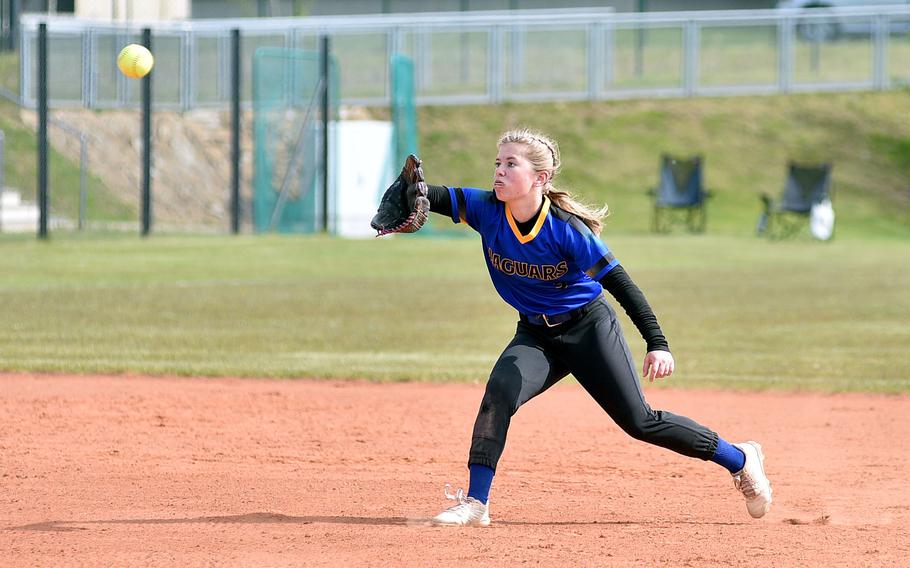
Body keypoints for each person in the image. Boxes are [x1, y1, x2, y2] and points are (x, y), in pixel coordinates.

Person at [417, 128, 772, 527]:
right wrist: (406, 194)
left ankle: (740, 458)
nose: (499, 171)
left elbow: (622, 284)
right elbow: (428, 193)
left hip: (588, 328)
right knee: (499, 393)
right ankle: (476, 504)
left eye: (511, 164)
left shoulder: (566, 229)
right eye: (497, 163)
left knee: (640, 422)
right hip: (536, 335)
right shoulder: (485, 208)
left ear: (541, 178)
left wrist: (658, 343)